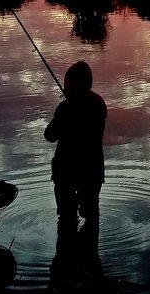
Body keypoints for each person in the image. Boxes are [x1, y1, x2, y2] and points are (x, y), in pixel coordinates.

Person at [44, 61, 107, 231]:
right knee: (91, 214)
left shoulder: (65, 108)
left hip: (66, 170)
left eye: (68, 83)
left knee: (66, 216)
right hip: (92, 169)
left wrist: (67, 108)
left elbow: (49, 135)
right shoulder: (98, 103)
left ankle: (67, 252)